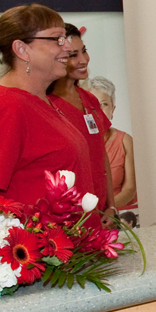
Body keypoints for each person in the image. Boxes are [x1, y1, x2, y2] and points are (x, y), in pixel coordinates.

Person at [0, 4, 97, 207]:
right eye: (57, 39)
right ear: (22, 50)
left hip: (74, 237)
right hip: (41, 238)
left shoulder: (38, 98)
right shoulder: (7, 107)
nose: (68, 47)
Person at [48, 24, 114, 213]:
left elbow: (101, 155)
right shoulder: (47, 104)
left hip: (100, 211)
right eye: (73, 55)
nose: (84, 59)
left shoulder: (90, 99)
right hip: (70, 216)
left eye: (84, 51)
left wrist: (111, 206)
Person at [86, 76, 138, 220]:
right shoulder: (78, 143)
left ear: (113, 109)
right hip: (88, 216)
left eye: (104, 104)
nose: (99, 109)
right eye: (93, 103)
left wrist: (109, 210)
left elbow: (130, 190)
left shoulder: (125, 140)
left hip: (121, 216)